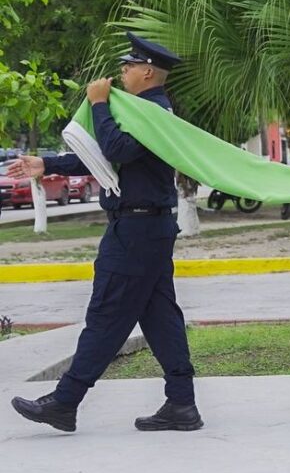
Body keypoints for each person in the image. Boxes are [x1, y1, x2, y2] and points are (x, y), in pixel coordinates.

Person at [8, 32, 202, 433]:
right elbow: (110, 162)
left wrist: (98, 103)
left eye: (129, 65)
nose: (123, 71)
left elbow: (116, 150)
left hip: (137, 229)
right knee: (161, 316)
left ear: (147, 72)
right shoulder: (143, 110)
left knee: (106, 314)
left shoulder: (153, 112)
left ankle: (65, 401)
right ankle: (182, 403)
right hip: (143, 226)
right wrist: (48, 164)